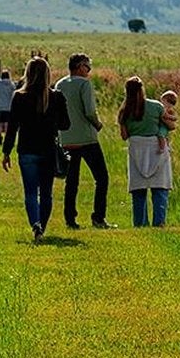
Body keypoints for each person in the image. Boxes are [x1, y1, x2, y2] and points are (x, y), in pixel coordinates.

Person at [0, 55, 67, 240]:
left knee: (30, 192)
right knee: (46, 193)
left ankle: (35, 224)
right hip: (48, 150)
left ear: (27, 74)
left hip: (27, 149)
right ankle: (41, 228)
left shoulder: (19, 96)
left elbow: (12, 128)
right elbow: (65, 124)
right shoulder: (56, 96)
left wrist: (6, 152)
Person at [55, 52, 112, 229]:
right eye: (88, 66)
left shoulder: (59, 84)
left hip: (67, 138)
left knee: (71, 181)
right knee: (102, 178)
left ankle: (70, 219)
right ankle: (98, 217)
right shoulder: (84, 84)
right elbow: (89, 111)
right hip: (87, 139)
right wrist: (98, 124)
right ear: (80, 67)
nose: (89, 70)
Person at [119, 77, 173, 226]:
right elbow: (169, 125)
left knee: (139, 190)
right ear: (142, 89)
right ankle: (159, 221)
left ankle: (140, 222)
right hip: (156, 147)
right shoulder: (156, 106)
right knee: (160, 187)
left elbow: (124, 136)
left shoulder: (124, 111)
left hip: (137, 148)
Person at [0, 61, 15, 142]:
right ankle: (6, 136)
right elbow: (14, 94)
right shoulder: (11, 85)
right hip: (8, 107)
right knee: (7, 122)